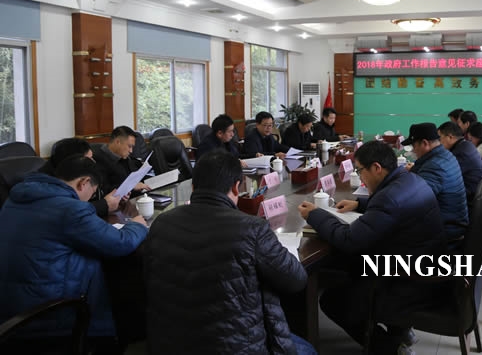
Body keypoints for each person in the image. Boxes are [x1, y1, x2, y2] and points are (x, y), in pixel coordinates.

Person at [144, 150, 315, 354]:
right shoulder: (252, 228)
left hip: (170, 343)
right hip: (237, 346)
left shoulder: (161, 223)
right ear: (236, 187)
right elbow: (296, 280)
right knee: (307, 349)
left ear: (192, 187)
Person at [298, 141, 444, 355]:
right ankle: (401, 330)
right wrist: (360, 205)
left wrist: (315, 215)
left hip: (409, 281)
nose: (360, 177)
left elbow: (349, 240)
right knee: (350, 264)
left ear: (376, 168)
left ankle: (391, 348)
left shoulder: (389, 197)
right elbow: (395, 208)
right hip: (423, 263)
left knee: (333, 301)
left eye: (360, 171)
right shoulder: (409, 179)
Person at [0, 155, 148, 348]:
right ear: (83, 183)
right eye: (92, 193)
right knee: (126, 285)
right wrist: (137, 225)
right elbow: (121, 243)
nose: (88, 201)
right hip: (50, 314)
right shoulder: (70, 209)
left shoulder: (16, 198)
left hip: (10, 310)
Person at [401, 122, 469, 246]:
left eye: (414, 146)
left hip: (446, 231)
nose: (413, 151)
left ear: (425, 143)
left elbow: (413, 201)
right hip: (451, 222)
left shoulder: (435, 166)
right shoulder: (445, 155)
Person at [40, 137, 121, 217]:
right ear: (73, 161)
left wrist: (113, 195)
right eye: (89, 159)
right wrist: (103, 206)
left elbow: (100, 190)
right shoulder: (45, 186)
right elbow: (68, 213)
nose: (93, 162)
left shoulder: (77, 173)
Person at [92, 125, 150, 194]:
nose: (131, 151)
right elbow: (103, 190)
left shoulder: (125, 157)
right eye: (129, 146)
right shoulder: (98, 160)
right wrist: (130, 186)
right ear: (117, 142)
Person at [437, 121, 482, 203]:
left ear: (450, 137)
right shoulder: (465, 145)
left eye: (440, 138)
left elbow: (443, 175)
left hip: (468, 197)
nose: (438, 143)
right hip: (469, 191)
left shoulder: (461, 153)